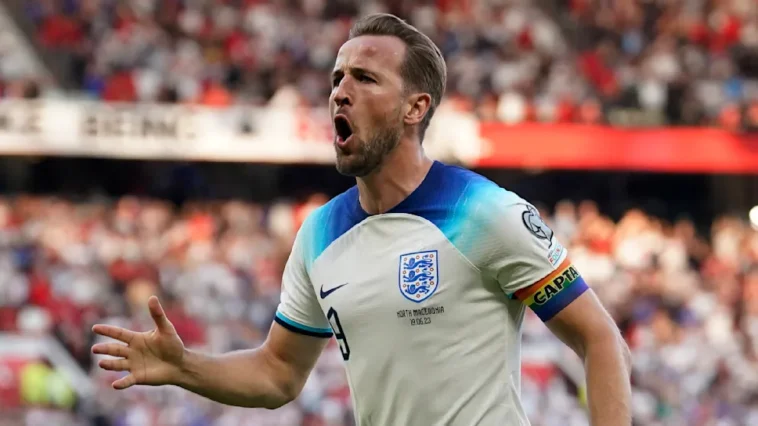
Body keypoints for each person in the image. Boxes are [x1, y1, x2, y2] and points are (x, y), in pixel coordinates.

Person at [91, 13, 632, 426]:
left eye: (365, 78)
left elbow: (601, 340)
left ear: (414, 108)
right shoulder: (319, 235)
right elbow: (278, 373)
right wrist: (185, 367)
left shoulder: (484, 211)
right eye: (337, 77)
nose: (339, 92)